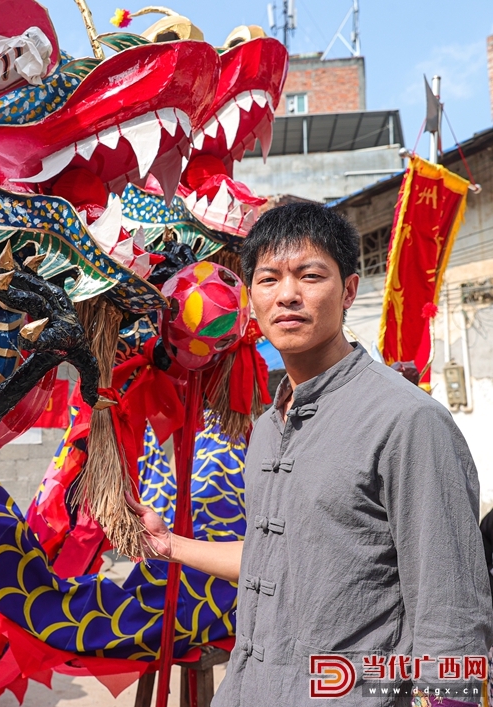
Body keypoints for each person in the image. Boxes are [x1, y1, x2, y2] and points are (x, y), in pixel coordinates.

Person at [130, 202, 493, 705]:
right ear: (250, 298)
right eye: (268, 279)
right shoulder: (265, 430)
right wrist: (167, 544)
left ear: (348, 290)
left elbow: (450, 610)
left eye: (310, 275)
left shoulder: (408, 421)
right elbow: (274, 557)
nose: (287, 295)